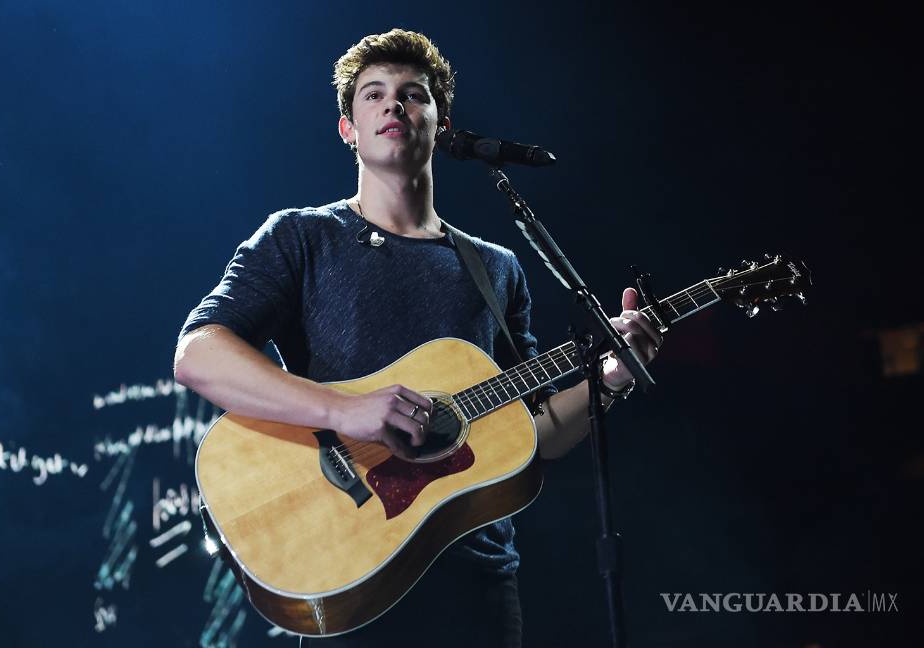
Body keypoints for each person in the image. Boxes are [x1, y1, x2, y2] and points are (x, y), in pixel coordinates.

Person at [173, 28, 661, 648]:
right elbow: (198, 354)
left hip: (477, 581)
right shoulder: (301, 237)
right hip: (349, 558)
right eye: (373, 95)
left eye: (413, 94)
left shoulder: (495, 268)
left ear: (442, 123)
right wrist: (343, 411)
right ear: (348, 129)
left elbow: (529, 433)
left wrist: (609, 381)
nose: (394, 106)